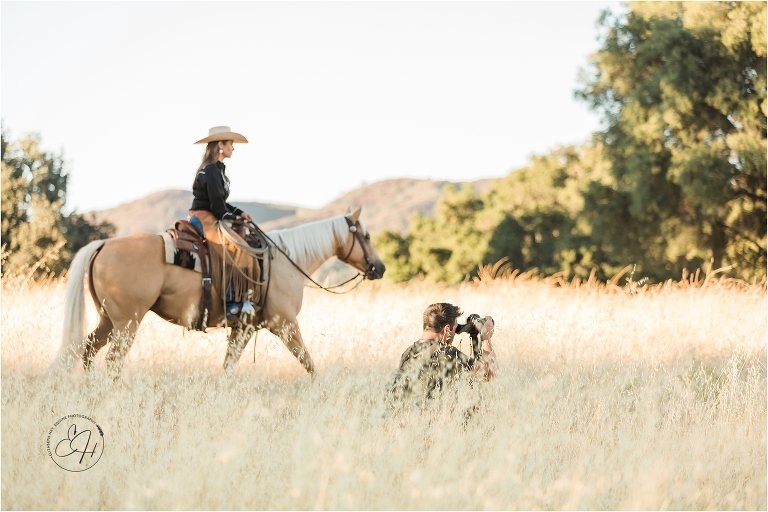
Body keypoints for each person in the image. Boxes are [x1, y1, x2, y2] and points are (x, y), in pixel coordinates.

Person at [189, 126, 254, 321]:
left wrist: (239, 213)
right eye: (231, 144)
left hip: (209, 216)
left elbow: (220, 203)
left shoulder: (216, 170)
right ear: (220, 145)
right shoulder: (210, 171)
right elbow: (218, 208)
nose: (233, 148)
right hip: (204, 218)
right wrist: (234, 218)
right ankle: (231, 303)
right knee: (234, 249)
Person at [391, 303, 497, 401]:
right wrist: (486, 336)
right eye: (456, 328)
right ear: (446, 329)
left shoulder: (409, 352)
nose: (456, 333)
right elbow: (488, 373)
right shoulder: (445, 353)